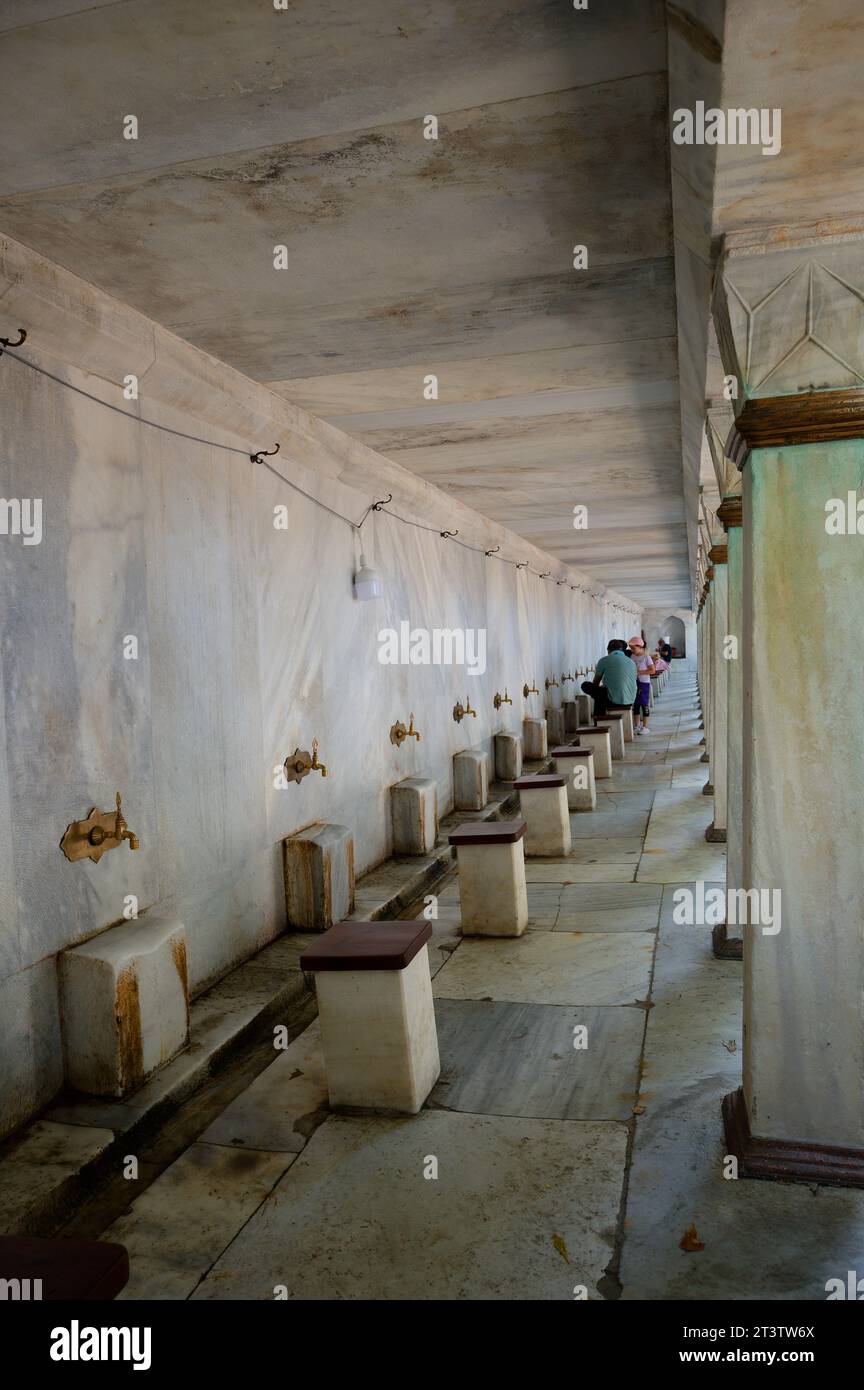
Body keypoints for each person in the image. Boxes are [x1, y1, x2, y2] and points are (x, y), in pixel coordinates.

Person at [581, 639, 638, 719]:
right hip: (631, 700)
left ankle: (598, 719)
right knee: (601, 694)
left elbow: (595, 682)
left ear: (608, 650)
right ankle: (599, 718)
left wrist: (602, 688)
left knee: (587, 687)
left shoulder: (604, 660)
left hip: (614, 701)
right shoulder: (631, 662)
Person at [628, 636, 655, 733]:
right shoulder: (632, 656)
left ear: (640, 646)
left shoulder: (646, 657)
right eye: (631, 648)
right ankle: (636, 726)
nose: (632, 650)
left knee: (644, 705)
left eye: (633, 648)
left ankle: (645, 727)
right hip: (634, 683)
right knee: (636, 705)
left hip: (644, 683)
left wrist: (640, 673)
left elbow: (652, 670)